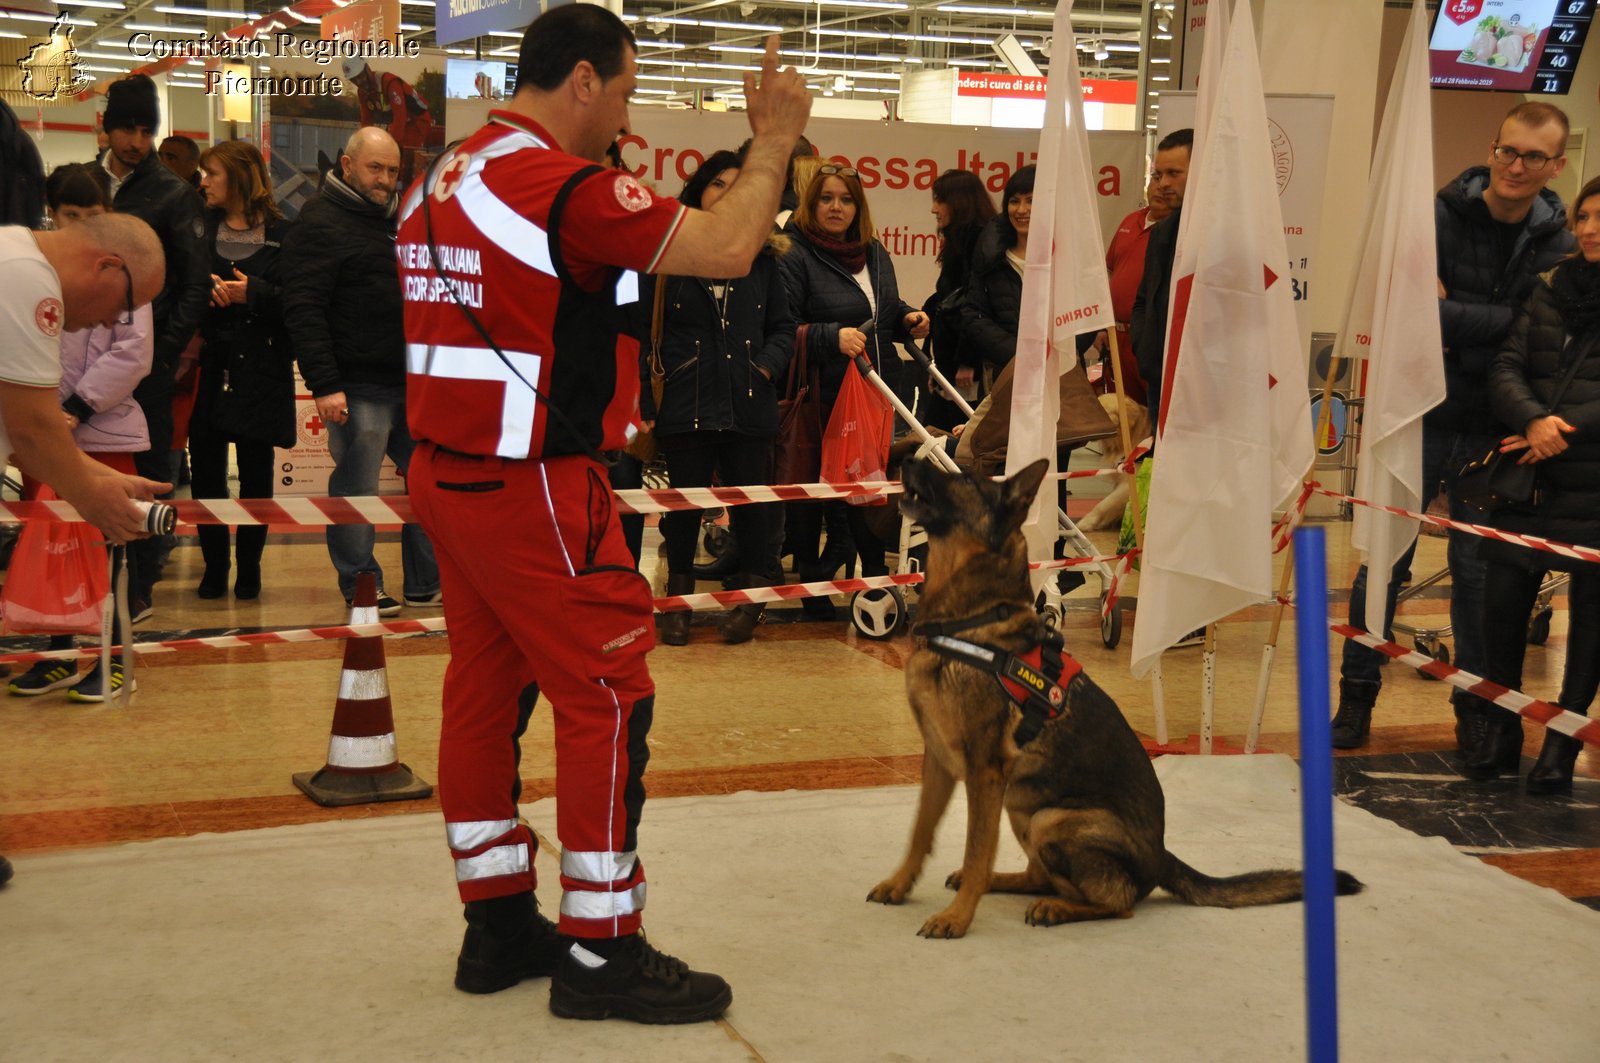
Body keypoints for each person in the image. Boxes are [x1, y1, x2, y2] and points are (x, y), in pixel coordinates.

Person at [394, 5, 809, 1022]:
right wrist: (773, 142)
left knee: (483, 694)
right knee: (609, 695)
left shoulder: (443, 176)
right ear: (582, 78)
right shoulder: (555, 183)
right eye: (625, 89)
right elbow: (725, 244)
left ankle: (497, 922)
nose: (627, 114)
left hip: (449, 473)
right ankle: (600, 947)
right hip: (534, 480)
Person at [1329, 102, 1577, 759]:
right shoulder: (1433, 217)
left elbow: (1534, 333)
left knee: (1477, 576)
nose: (1514, 166)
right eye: (1506, 151)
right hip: (1418, 411)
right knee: (1383, 561)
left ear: (1557, 165)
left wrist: (1455, 314)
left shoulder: (1563, 242)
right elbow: (1413, 314)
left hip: (1497, 424)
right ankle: (1355, 700)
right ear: (1492, 149)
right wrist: (1496, 320)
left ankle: (1476, 710)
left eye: (1531, 157)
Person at [7, 165, 153, 703]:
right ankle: (60, 652)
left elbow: (133, 354)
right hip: (51, 437)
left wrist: (75, 409)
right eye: (73, 217)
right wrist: (51, 423)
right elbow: (27, 397)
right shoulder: (32, 276)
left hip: (101, 433)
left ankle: (115, 658)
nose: (83, 229)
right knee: (51, 555)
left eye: (93, 217)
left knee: (107, 555)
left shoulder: (126, 279)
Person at [280, 127, 439, 617]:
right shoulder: (319, 221)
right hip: (356, 385)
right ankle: (361, 584)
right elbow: (303, 307)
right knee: (356, 490)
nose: (386, 180)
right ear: (347, 166)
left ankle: (425, 582)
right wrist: (325, 384)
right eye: (375, 168)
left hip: (411, 382)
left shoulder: (399, 220)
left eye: (393, 171)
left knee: (430, 484)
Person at [1474, 174, 1600, 790]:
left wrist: (1561, 429)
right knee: (1502, 606)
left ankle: (1561, 744)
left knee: (1591, 621)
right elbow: (1506, 363)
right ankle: (1503, 729)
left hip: (1593, 479)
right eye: (1585, 217)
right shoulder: (1549, 288)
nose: (1592, 228)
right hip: (1529, 476)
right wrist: (1530, 417)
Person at [642, 149, 795, 646]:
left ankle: (749, 599)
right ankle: (678, 601)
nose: (726, 195)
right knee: (683, 509)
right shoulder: (669, 254)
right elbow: (645, 332)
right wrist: (646, 401)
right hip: (686, 398)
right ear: (698, 191)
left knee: (751, 507)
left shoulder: (765, 257)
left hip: (749, 398)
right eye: (717, 184)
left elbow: (783, 326)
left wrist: (767, 365)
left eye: (737, 186)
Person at [780, 161, 928, 603]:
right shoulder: (794, 252)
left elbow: (884, 308)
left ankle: (875, 581)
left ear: (858, 207)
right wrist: (831, 337)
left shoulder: (875, 253)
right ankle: (813, 585)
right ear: (811, 203)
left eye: (846, 200)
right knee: (814, 493)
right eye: (826, 198)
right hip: (821, 394)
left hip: (874, 391)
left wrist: (906, 319)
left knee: (865, 489)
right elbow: (782, 326)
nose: (836, 207)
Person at [98, 74, 210, 621]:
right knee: (92, 472)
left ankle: (139, 587)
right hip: (83, 359)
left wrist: (164, 355)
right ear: (107, 126)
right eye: (127, 129)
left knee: (148, 473)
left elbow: (194, 284)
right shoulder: (84, 186)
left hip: (148, 363)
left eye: (146, 131)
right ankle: (87, 586)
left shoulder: (171, 192)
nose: (137, 141)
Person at [190, 140, 295, 600]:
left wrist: (252, 294)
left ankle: (249, 567)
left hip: (261, 368)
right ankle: (215, 565)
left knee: (256, 475)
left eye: (211, 172)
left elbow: (300, 301)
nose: (203, 181)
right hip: (209, 365)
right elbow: (176, 289)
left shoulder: (285, 234)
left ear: (239, 176)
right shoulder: (196, 228)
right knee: (206, 474)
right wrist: (203, 295)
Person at [1101, 166, 1180, 406]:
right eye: (1155, 178)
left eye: (1168, 178)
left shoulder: (1178, 232)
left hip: (1150, 338)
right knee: (1124, 416)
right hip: (1117, 337)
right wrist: (1102, 326)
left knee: (1154, 411)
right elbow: (1109, 273)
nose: (1159, 186)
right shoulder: (1129, 220)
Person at [923, 169, 995, 429]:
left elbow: (975, 308)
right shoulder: (960, 240)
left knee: (951, 440)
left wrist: (967, 364)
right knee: (934, 435)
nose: (933, 209)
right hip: (950, 362)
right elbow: (948, 298)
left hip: (967, 369)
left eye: (939, 200)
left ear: (959, 202)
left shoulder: (979, 243)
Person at [1129, 127, 1193, 421]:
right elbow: (1145, 299)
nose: (1163, 184)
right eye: (1159, 174)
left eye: (1174, 173)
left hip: (1199, 382)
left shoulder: (1227, 236)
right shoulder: (1163, 231)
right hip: (1159, 376)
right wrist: (1145, 349)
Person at [342, 57, 435, 188]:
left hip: (418, 123)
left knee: (395, 151)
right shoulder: (363, 92)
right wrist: (362, 146)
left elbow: (400, 118)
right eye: (354, 79)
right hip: (401, 125)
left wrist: (388, 147)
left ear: (367, 69)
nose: (359, 81)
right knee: (380, 149)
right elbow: (366, 121)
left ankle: (398, 187)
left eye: (360, 76)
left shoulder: (389, 82)